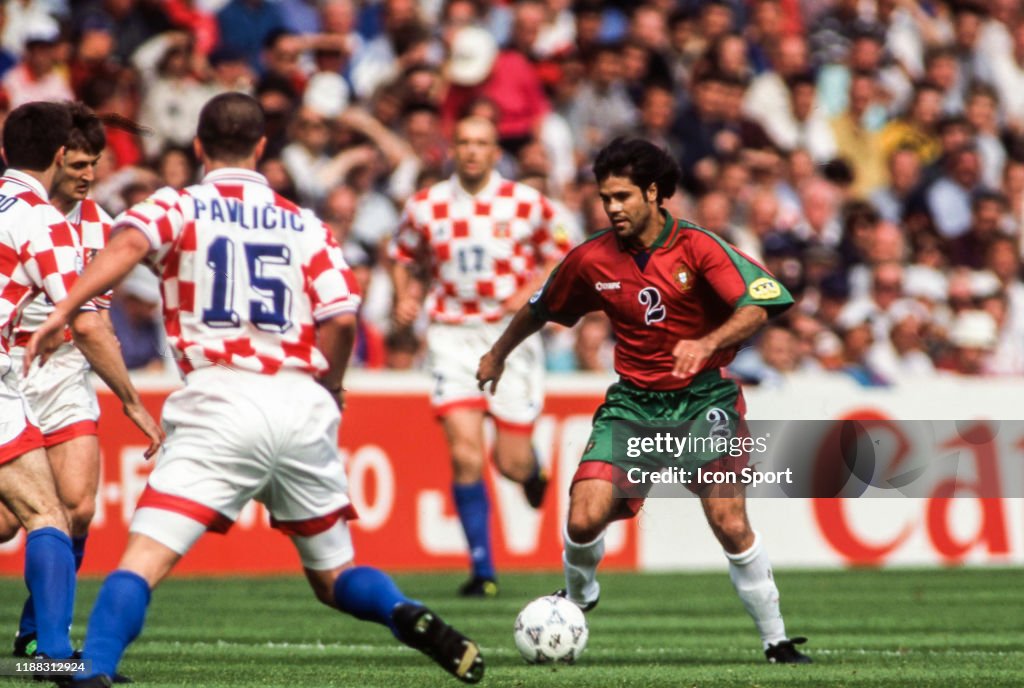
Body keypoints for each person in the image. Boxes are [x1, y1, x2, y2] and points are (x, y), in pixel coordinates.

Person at [26, 93, 484, 687]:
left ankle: (94, 670)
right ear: (262, 149)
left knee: (141, 563)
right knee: (334, 575)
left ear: (198, 146)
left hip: (220, 397)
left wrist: (63, 306)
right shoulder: (305, 223)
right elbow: (343, 318)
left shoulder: (179, 205)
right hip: (300, 402)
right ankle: (404, 611)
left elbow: (130, 245)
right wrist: (335, 386)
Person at [476, 138, 812, 663]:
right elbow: (539, 307)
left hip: (705, 401)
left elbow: (759, 304)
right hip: (633, 406)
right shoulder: (591, 258)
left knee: (729, 522)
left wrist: (707, 342)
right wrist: (497, 354)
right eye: (605, 197)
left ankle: (777, 640)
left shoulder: (698, 247)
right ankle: (581, 594)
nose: (611, 208)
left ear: (654, 193)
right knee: (582, 519)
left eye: (622, 196)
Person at [0, 102, 163, 664]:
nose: (87, 175)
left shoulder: (98, 223)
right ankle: (49, 645)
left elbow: (95, 318)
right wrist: (134, 401)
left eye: (95, 164)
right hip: (13, 365)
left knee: (76, 507)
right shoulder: (36, 217)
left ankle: (38, 636)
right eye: (78, 164)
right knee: (14, 520)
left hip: (64, 371)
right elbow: (84, 318)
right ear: (57, 156)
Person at [389, 116, 567, 597]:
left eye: (481, 143)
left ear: (495, 152)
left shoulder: (527, 203)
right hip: (451, 335)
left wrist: (532, 290)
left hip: (512, 336)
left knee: (508, 463)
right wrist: (406, 297)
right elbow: (402, 256)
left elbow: (563, 256)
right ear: (453, 148)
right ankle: (482, 570)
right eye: (463, 142)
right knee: (465, 455)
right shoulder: (425, 206)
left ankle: (532, 470)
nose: (471, 151)